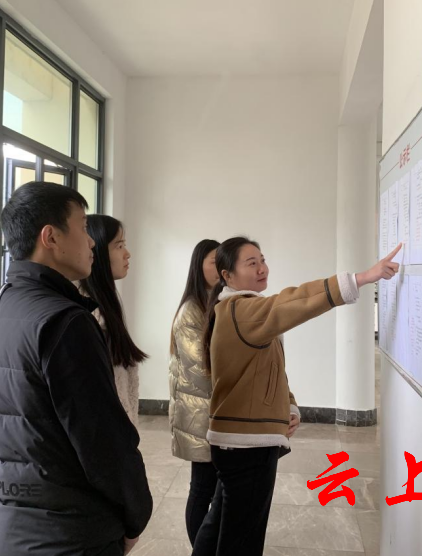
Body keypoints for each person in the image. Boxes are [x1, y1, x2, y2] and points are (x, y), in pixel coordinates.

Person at [0, 183, 152, 556]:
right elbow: (104, 444)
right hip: (67, 535)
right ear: (50, 237)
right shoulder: (65, 322)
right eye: (83, 227)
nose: (91, 241)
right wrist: (135, 516)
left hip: (1, 529)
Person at [192, 237, 401, 556]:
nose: (262, 268)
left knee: (221, 524)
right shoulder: (243, 310)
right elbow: (295, 301)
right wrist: (361, 278)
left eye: (263, 260)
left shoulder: (233, 309)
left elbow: (268, 368)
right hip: (247, 446)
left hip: (236, 442)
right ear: (227, 275)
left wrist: (288, 404)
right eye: (251, 263)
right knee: (241, 541)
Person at [168, 238, 221, 545]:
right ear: (198, 266)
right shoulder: (191, 310)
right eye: (214, 261)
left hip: (214, 411)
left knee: (213, 489)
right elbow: (201, 367)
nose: (221, 267)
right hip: (198, 414)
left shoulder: (216, 302)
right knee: (202, 489)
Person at [79, 215, 148, 426]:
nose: (127, 254)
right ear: (96, 251)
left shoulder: (105, 305)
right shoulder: (89, 314)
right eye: (119, 246)